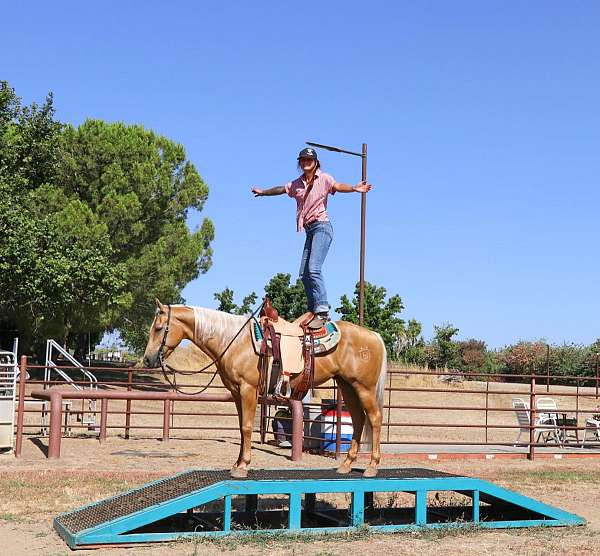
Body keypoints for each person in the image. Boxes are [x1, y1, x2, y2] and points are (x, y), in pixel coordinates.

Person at [252, 147, 373, 329]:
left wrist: (354, 188)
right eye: (303, 160)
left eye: (309, 160)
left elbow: (338, 186)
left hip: (322, 227)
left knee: (314, 268)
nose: (306, 162)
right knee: (303, 273)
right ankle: (312, 309)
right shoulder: (297, 184)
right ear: (300, 163)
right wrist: (263, 192)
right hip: (309, 230)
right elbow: (281, 189)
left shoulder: (324, 178)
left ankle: (322, 311)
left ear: (316, 163)